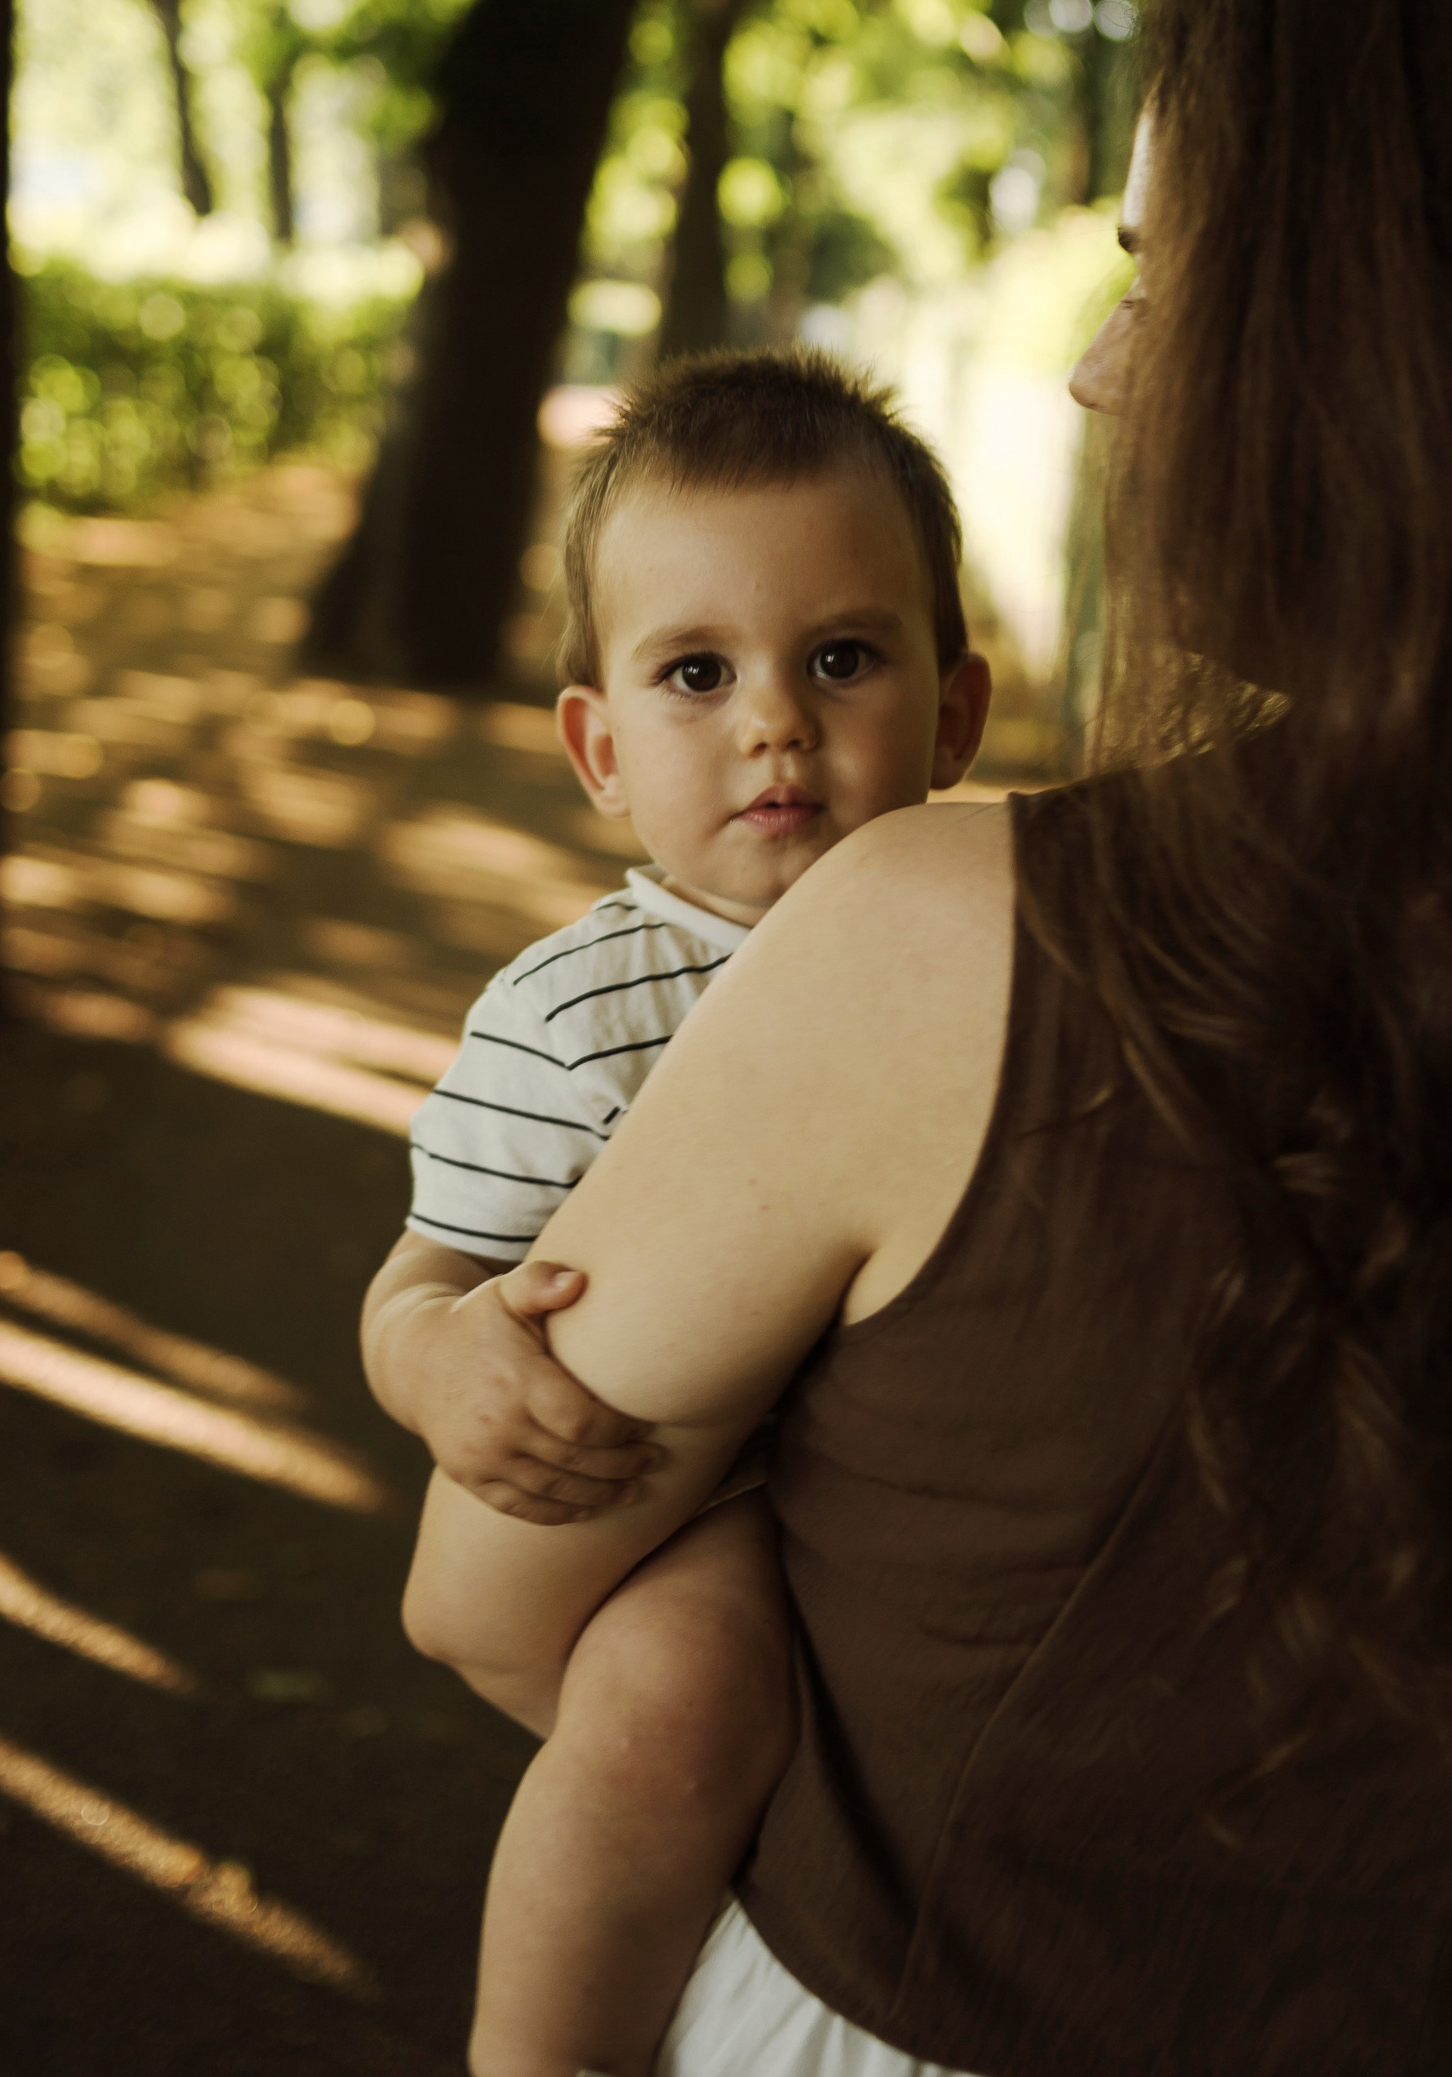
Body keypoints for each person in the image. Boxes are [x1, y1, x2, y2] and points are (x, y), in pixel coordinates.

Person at [377, 0, 1452, 2077]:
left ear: (1392, 359)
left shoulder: (954, 939)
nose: (1098, 373)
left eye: (1165, 274)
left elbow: (482, 1595)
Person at [361, 349, 992, 2077]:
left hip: (916, 1493)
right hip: (700, 1512)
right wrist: (435, 1361)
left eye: (843, 659)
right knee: (671, 1710)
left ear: (955, 715)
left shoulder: (988, 951)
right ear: (602, 748)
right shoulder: (578, 1011)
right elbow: (426, 1269)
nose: (775, 721)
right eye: (697, 673)